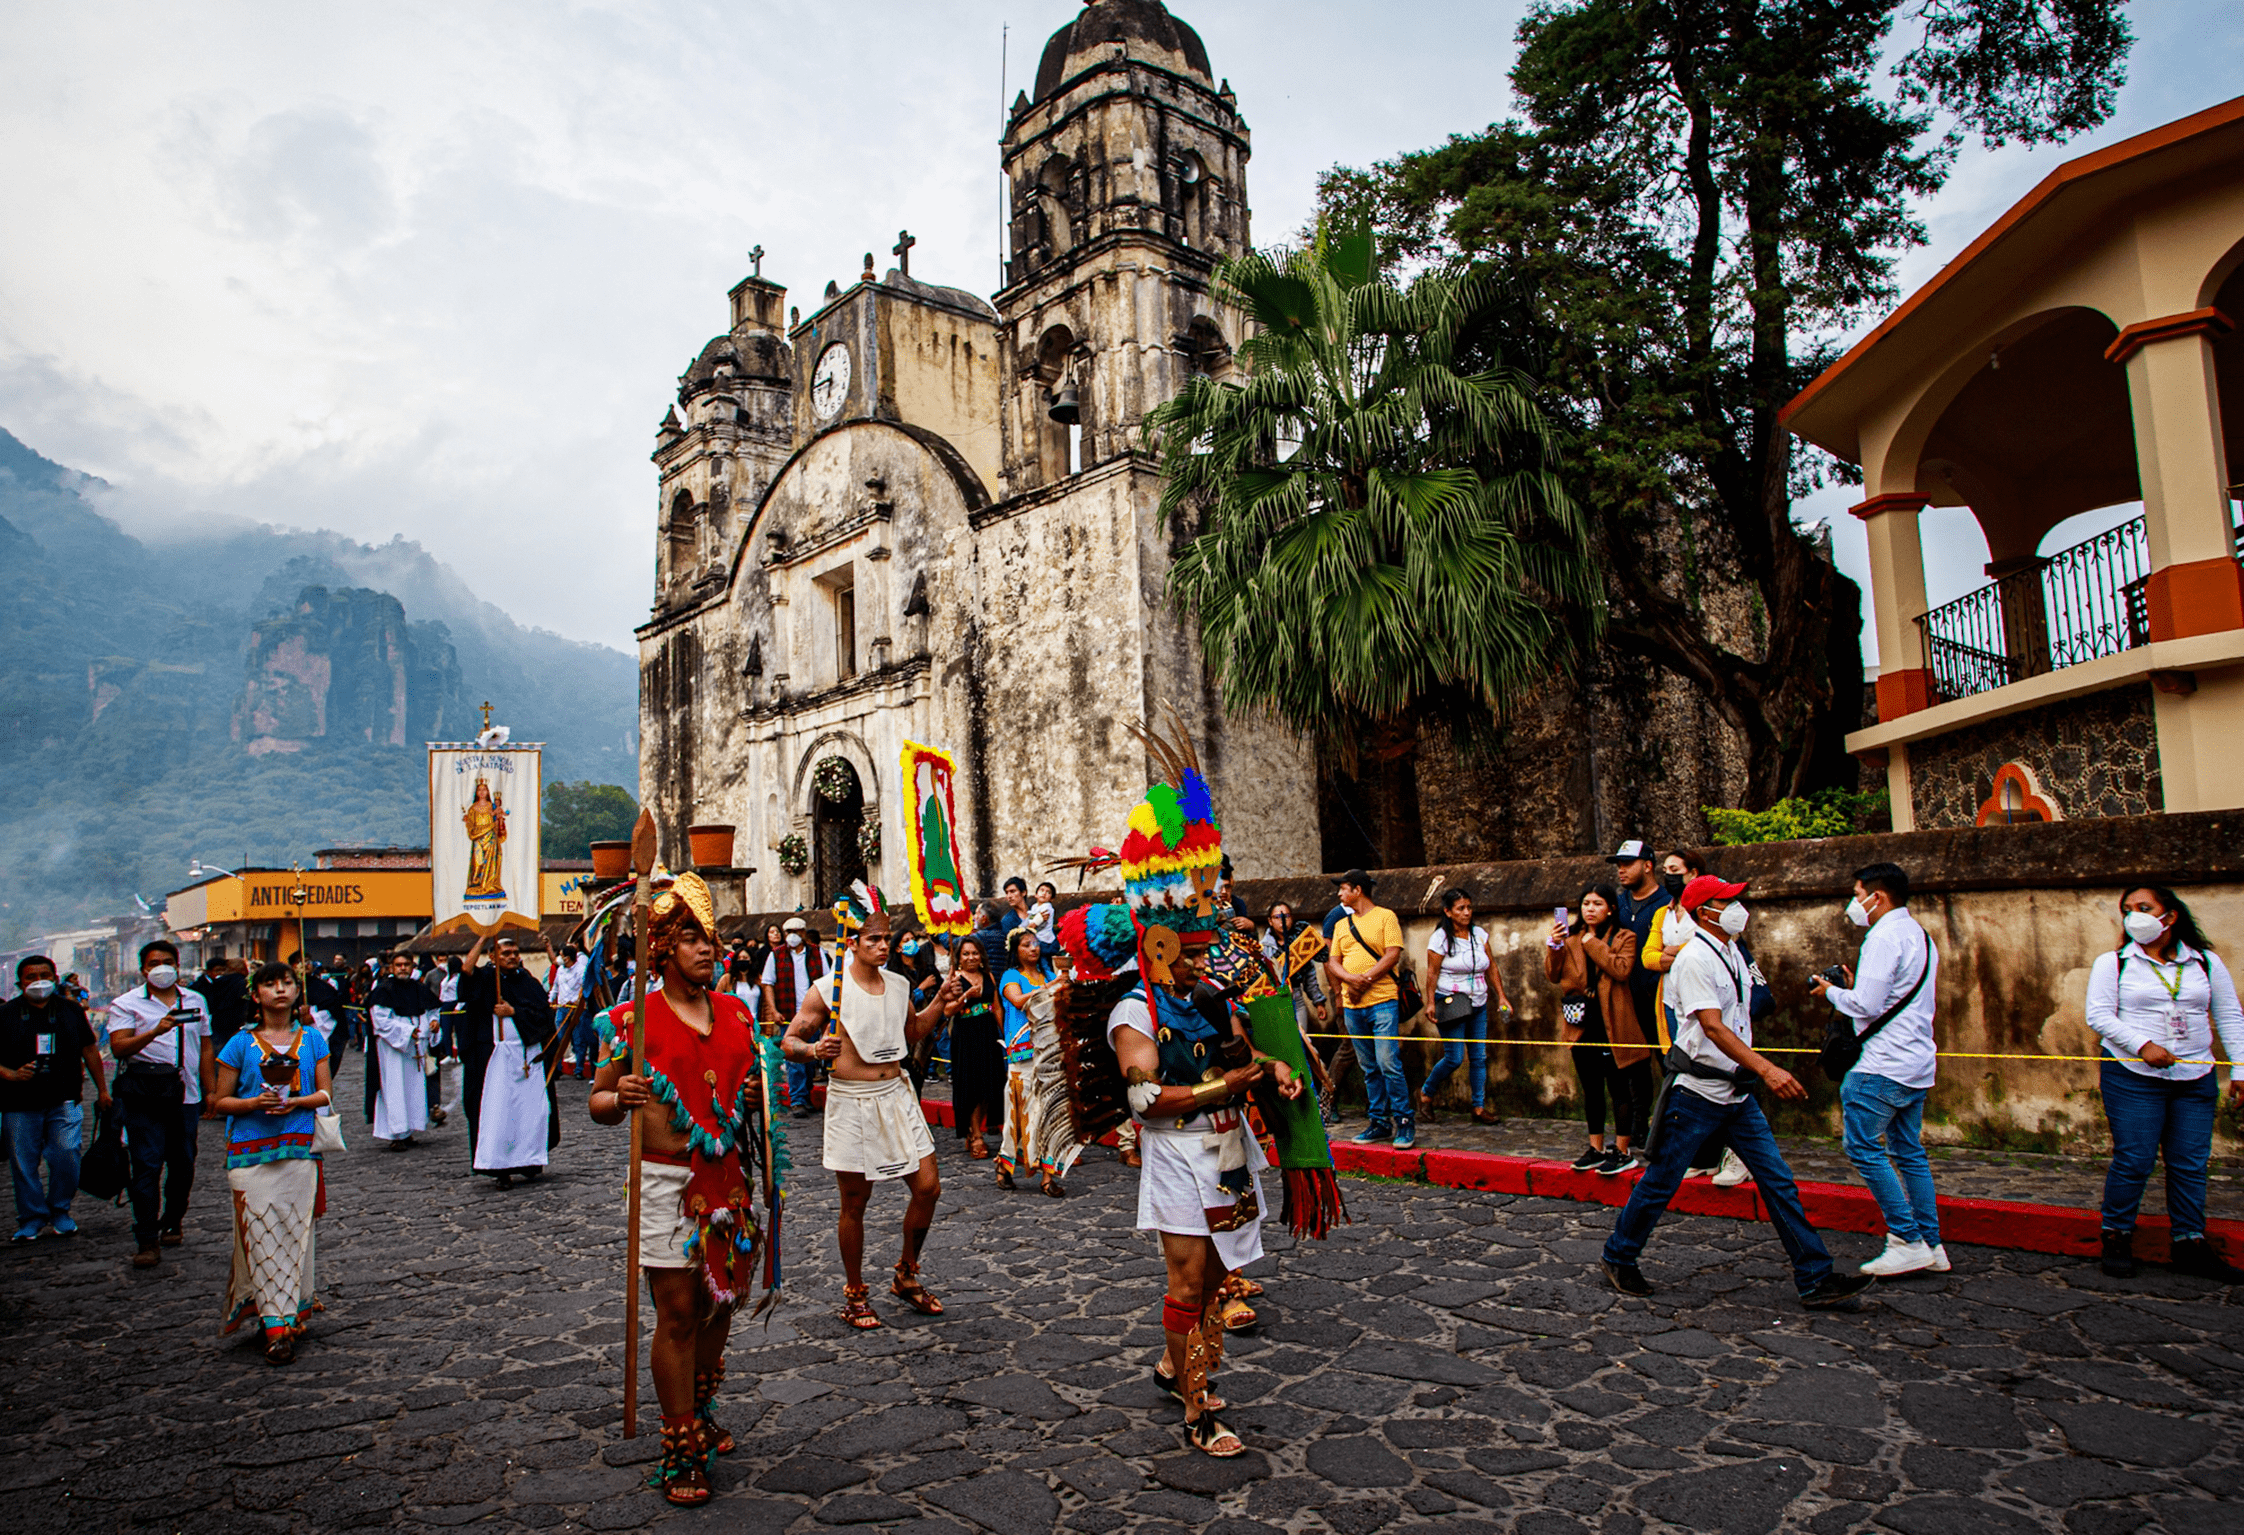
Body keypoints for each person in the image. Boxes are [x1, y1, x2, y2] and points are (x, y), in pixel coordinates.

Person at [591, 872, 780, 1505]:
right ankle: (679, 1446)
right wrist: (619, 1095)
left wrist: (754, 1099)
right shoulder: (630, 1019)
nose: (709, 950)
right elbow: (596, 1102)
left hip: (727, 1181)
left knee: (719, 1304)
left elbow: (747, 1091)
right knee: (675, 1314)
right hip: (665, 1181)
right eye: (694, 939)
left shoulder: (735, 1014)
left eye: (713, 940)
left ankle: (700, 1409)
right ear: (666, 946)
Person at [1599, 875, 1874, 1310]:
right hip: (1697, 1093)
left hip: (1736, 1093)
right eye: (1728, 900)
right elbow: (1711, 1025)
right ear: (1705, 911)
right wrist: (1768, 1070)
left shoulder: (1732, 953)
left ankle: (1815, 1277)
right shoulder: (1693, 960)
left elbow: (1745, 1013)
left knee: (1778, 1181)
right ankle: (1618, 1254)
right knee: (1662, 1180)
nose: (1738, 906)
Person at [782, 883, 960, 1330]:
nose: (884, 946)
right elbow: (788, 1040)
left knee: (928, 1187)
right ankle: (855, 1292)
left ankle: (906, 1273)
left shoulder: (900, 984)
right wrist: (812, 1052)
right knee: (855, 1204)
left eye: (887, 938)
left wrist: (940, 1002)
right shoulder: (828, 991)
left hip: (897, 1095)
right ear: (851, 942)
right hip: (852, 1100)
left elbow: (913, 1033)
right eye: (873, 940)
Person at [2083, 885, 2244, 1283]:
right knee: (2135, 1159)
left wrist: (2240, 1068)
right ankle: (2117, 1236)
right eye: (2126, 910)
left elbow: (2229, 1016)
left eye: (2143, 907)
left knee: (2190, 1163)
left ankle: (2189, 1242)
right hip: (2133, 1075)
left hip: (2195, 1077)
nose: (2133, 915)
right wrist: (2143, 1045)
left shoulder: (2205, 963)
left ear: (2169, 916)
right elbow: (2099, 1015)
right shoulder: (2114, 964)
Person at [1811, 861, 1947, 1278]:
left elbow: (1867, 1007)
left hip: (1881, 1065)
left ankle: (1905, 1239)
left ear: (1877, 897)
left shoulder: (1883, 937)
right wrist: (1853, 989)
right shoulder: (1920, 936)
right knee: (1909, 1153)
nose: (1855, 904)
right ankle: (1931, 1242)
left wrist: (1832, 991)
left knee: (1863, 1148)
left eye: (1857, 895)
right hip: (1916, 1062)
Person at [210, 962, 333, 1364]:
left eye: (287, 983)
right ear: (256, 994)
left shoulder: (313, 1039)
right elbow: (219, 1101)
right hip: (250, 1151)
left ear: (297, 991)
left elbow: (326, 1094)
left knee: (297, 1235)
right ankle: (274, 1325)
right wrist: (252, 1103)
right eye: (270, 983)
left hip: (298, 1151)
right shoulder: (239, 1045)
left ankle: (288, 1310)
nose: (280, 989)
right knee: (261, 1233)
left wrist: (296, 1101)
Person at [106, 940, 214, 1268]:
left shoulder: (195, 1000)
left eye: (168, 962)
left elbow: (206, 1048)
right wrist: (156, 1030)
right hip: (145, 1097)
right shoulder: (126, 1004)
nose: (162, 968)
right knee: (147, 1165)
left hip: (187, 1096)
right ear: (143, 969)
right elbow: (119, 1048)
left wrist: (212, 1091)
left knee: (183, 1164)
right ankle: (147, 1238)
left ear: (178, 965)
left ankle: (173, 1218)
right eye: (154, 963)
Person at [1546, 884, 1652, 1173]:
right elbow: (1553, 975)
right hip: (1581, 1024)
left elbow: (1620, 969)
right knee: (1591, 1088)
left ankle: (1621, 1150)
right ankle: (1595, 1147)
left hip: (1614, 1023)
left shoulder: (1624, 936)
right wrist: (1554, 946)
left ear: (1611, 908)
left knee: (1619, 1088)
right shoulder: (1569, 940)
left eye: (1597, 903)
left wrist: (1592, 943)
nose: (1590, 909)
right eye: (1585, 904)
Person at [3, 956, 109, 1242]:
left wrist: (102, 1089)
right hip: (18, 1103)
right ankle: (32, 1218)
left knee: (67, 1155)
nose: (38, 981)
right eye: (30, 976)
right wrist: (11, 1075)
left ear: (55, 977)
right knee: (23, 1164)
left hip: (66, 1099)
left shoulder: (72, 1010)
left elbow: (90, 1050)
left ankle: (60, 1209)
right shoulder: (7, 1013)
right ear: (19, 982)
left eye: (44, 974)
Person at [460, 932, 558, 1187]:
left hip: (527, 1057)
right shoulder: (484, 979)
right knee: (499, 1113)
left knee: (529, 1111)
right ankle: (500, 1168)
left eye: (515, 953)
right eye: (505, 953)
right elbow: (466, 972)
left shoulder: (528, 981)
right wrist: (483, 938)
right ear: (492, 956)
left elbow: (544, 1015)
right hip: (496, 1060)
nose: (512, 957)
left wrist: (515, 1012)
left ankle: (528, 1161)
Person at [1326, 869, 1411, 1149]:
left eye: (1344, 888)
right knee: (1368, 1065)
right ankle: (1378, 1120)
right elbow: (1334, 961)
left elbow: (1392, 953)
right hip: (1353, 1004)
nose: (1340, 894)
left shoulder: (1386, 917)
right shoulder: (1341, 924)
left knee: (1388, 1061)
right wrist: (1351, 980)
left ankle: (1404, 1119)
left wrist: (1367, 979)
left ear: (1358, 890)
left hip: (1383, 1000)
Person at [1420, 889, 1506, 1125]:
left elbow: (1491, 966)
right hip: (1452, 1003)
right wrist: (1430, 1002)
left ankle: (1478, 1107)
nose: (1466, 912)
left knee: (1479, 1057)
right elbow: (1432, 972)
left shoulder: (1479, 935)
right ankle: (1426, 1094)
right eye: (1460, 908)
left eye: (1469, 907)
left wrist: (1501, 996)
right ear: (1448, 912)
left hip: (1478, 1001)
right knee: (1455, 1057)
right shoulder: (1440, 938)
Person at [996, 928, 1063, 1196]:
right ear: (1016, 950)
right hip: (1022, 1055)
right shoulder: (1011, 977)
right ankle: (1005, 1164)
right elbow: (1018, 1001)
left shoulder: (1047, 974)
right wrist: (1049, 989)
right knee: (1018, 1116)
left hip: (1048, 1051)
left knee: (1049, 1113)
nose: (1033, 948)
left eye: (1036, 944)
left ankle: (1048, 1175)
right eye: (1026, 944)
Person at [1263, 903, 1338, 1124]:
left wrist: (1319, 1002)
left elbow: (1309, 975)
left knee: (1302, 1045)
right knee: (1282, 1049)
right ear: (1270, 921)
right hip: (1275, 999)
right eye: (1277, 916)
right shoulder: (1264, 946)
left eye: (1286, 916)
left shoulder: (1300, 942)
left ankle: (1314, 1097)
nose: (1282, 920)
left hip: (1296, 999)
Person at [368, 952, 442, 1150]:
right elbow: (381, 1021)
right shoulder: (384, 990)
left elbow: (433, 1011)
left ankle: (409, 1130)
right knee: (395, 1089)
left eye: (406, 964)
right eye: (398, 965)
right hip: (394, 1048)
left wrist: (434, 1023)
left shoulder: (420, 988)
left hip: (415, 1047)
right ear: (391, 968)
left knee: (413, 1089)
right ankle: (395, 1133)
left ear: (412, 967)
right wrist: (408, 1031)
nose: (402, 968)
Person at [945, 933, 1004, 1159]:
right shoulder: (955, 979)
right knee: (971, 1085)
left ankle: (974, 1129)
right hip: (966, 1034)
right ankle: (977, 1135)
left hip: (987, 1032)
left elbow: (996, 1006)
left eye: (974, 953)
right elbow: (947, 1010)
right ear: (959, 957)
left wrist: (1005, 1035)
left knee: (989, 1084)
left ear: (981, 956)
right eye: (966, 954)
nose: (970, 957)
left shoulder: (987, 975)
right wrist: (965, 997)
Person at [760, 916, 825, 1118]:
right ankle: (797, 1099)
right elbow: (768, 983)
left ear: (804, 933)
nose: (793, 936)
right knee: (794, 1058)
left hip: (812, 1015)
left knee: (810, 1059)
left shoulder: (817, 953)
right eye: (789, 932)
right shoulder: (776, 955)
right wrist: (773, 1010)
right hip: (788, 1012)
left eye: (797, 931)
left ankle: (804, 1095)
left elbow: (826, 980)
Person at [549, 942, 594, 1079]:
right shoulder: (560, 970)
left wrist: (578, 1001)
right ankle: (557, 1069)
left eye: (561, 956)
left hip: (576, 1009)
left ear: (567, 958)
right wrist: (551, 1000)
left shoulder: (581, 970)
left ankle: (578, 1070)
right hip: (562, 1008)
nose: (559, 958)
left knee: (578, 1040)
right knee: (560, 1039)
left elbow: (584, 989)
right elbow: (556, 986)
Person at [190, 950, 249, 1054]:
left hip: (217, 1025)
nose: (220, 973)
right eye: (218, 970)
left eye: (223, 970)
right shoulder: (199, 987)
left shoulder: (218, 982)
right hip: (225, 1025)